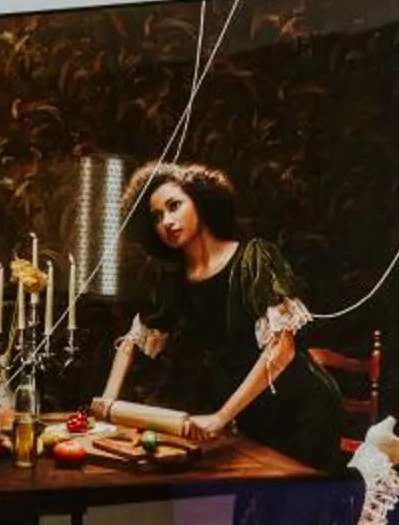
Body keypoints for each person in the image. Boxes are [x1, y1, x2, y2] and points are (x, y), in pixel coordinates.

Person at [96, 160, 345, 469]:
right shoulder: (175, 281)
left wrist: (220, 417)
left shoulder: (254, 258)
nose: (166, 221)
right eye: (157, 217)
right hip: (253, 415)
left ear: (200, 202)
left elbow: (282, 350)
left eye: (174, 206)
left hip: (303, 409)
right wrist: (106, 405)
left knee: (295, 496)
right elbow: (133, 340)